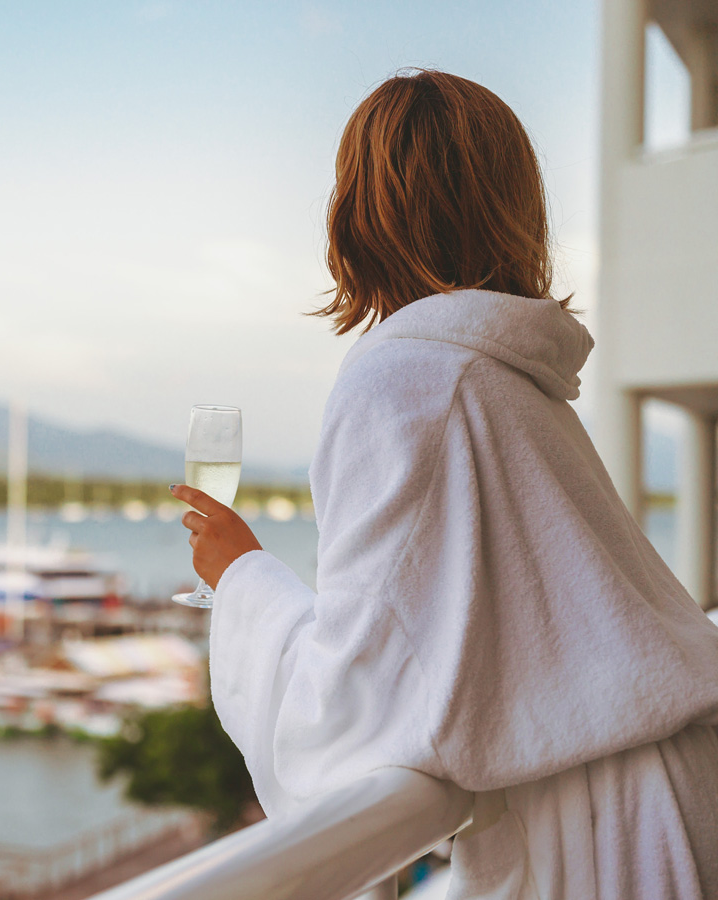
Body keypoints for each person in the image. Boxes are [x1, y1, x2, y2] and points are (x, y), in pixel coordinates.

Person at [171, 69, 718, 899]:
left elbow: (351, 705)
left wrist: (243, 574)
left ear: (358, 211)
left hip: (613, 841)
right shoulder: (510, 375)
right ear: (516, 202)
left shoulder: (406, 384)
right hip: (676, 795)